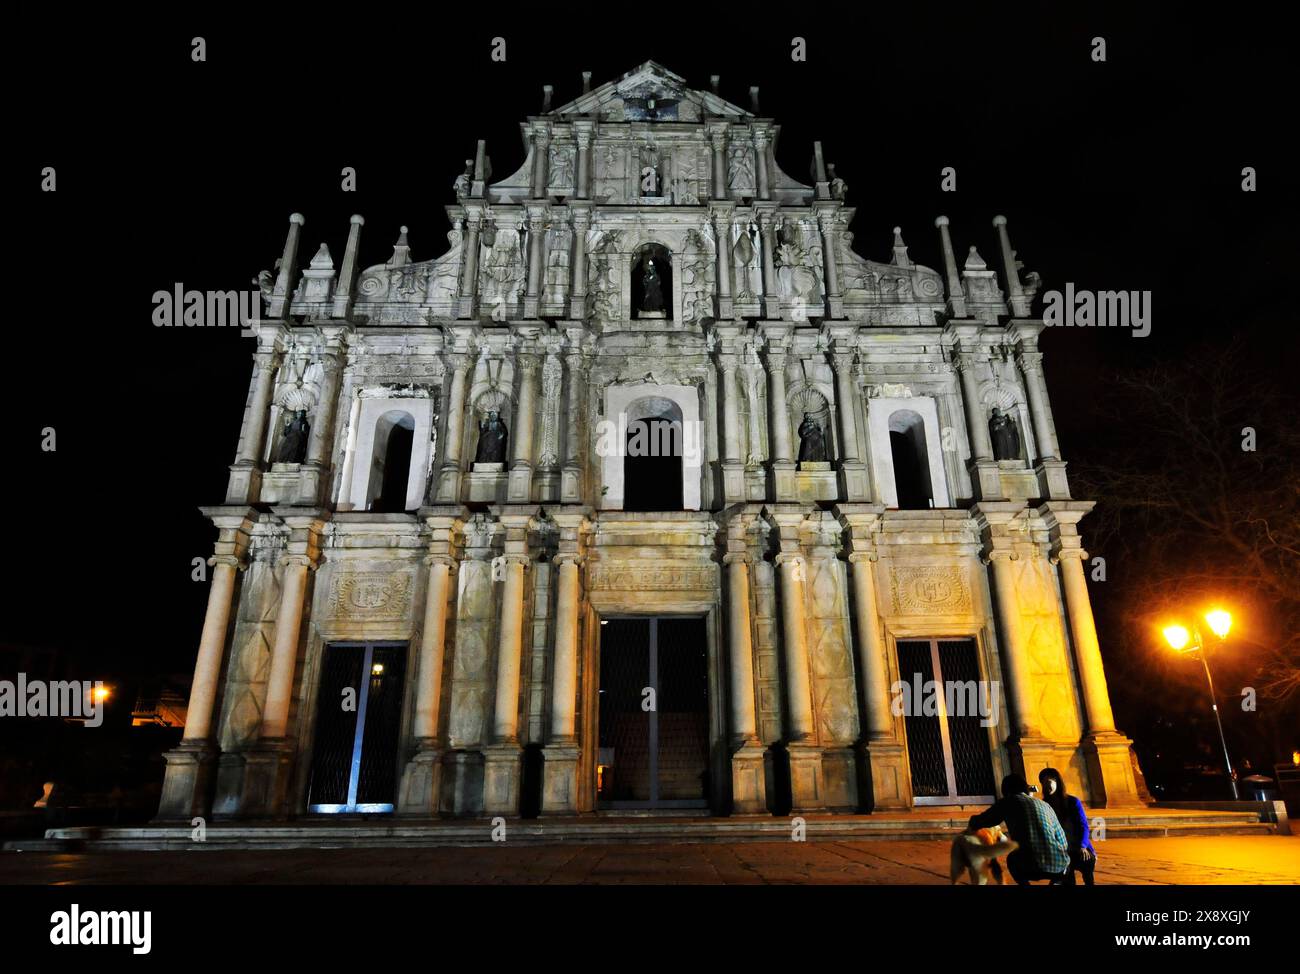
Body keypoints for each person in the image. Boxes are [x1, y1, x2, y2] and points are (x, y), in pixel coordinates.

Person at [968, 773, 1070, 885]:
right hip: (1059, 866)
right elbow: (1062, 840)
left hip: (1029, 866)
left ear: (1006, 790)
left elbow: (986, 820)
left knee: (1012, 859)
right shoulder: (1045, 805)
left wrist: (972, 823)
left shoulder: (1008, 801)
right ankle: (1056, 882)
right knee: (1063, 867)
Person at [1039, 767, 1096, 885]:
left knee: (1087, 861)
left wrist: (1083, 846)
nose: (1046, 786)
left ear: (1057, 782)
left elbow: (1083, 826)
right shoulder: (1043, 805)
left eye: (1049, 782)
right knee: (1066, 876)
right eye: (1043, 783)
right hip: (1060, 850)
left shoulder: (1072, 801)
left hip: (1077, 846)